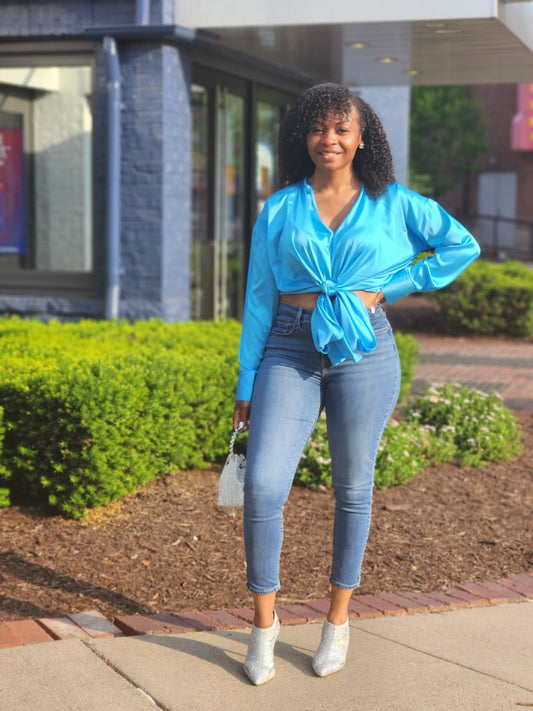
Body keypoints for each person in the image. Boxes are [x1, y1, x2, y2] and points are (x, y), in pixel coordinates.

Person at [232, 82, 480, 685]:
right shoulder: (281, 207)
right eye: (318, 129)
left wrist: (389, 287)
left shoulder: (393, 202)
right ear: (304, 137)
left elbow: (459, 244)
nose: (330, 139)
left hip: (365, 347)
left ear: (361, 136)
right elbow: (260, 297)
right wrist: (246, 379)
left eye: (342, 128)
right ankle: (264, 629)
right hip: (289, 346)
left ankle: (337, 621)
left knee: (353, 487)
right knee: (263, 486)